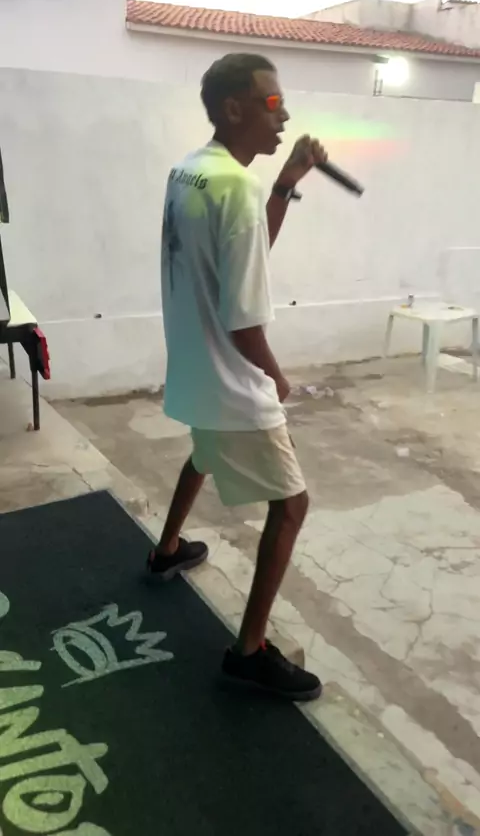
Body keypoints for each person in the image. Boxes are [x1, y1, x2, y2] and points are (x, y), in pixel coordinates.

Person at [147, 52, 327, 702]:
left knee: (204, 451)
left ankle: (167, 549)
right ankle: (248, 653)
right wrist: (276, 379)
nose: (283, 116)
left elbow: (246, 251)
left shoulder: (190, 171)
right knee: (292, 505)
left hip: (193, 368)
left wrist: (286, 182)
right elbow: (245, 322)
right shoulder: (236, 189)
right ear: (233, 108)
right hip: (230, 378)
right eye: (272, 104)